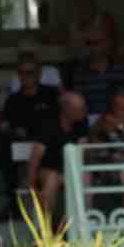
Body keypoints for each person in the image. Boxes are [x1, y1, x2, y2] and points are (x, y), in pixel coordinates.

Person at [27, 92, 90, 223]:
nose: (82, 112)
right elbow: (35, 157)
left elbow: (81, 154)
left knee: (85, 176)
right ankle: (45, 227)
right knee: (52, 178)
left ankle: (81, 222)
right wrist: (31, 184)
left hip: (71, 171)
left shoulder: (81, 125)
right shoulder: (48, 125)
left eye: (83, 108)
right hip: (47, 170)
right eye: (77, 108)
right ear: (65, 108)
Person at [76, 30, 124, 117]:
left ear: (107, 44)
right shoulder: (81, 72)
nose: (93, 47)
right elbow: (78, 105)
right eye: (89, 43)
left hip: (119, 120)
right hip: (91, 122)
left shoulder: (121, 70)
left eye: (97, 43)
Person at [2, 55, 61, 140]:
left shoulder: (52, 94)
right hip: (23, 145)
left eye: (30, 72)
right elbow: (4, 127)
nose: (25, 76)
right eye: (21, 72)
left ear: (38, 73)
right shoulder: (12, 100)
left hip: (50, 144)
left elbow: (63, 122)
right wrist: (13, 131)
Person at [63, 0, 118, 69]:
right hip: (78, 69)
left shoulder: (105, 20)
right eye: (78, 1)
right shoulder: (72, 25)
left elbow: (112, 49)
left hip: (102, 68)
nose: (82, 6)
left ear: (93, 1)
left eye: (85, 0)